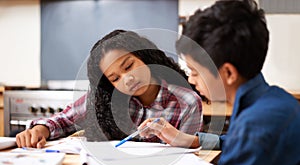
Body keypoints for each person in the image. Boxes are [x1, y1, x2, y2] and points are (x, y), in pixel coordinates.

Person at [139, 0, 300, 165]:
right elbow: (236, 142)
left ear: (229, 73)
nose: (191, 80)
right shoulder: (276, 100)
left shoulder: (256, 127)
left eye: (195, 72)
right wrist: (192, 140)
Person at [15, 29, 203, 148]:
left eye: (129, 66)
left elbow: (188, 155)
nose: (127, 79)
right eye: (115, 78)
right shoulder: (106, 100)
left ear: (144, 57)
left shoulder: (187, 102)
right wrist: (40, 130)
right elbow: (63, 120)